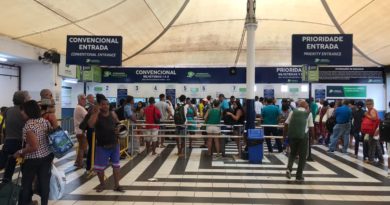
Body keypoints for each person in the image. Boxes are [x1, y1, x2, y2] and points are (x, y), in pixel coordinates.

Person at [14, 100, 54, 205]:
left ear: (28, 111)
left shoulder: (29, 125)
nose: (21, 113)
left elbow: (34, 147)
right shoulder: (44, 121)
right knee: (44, 183)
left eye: (22, 111)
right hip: (47, 157)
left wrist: (20, 151)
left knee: (26, 185)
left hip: (33, 160)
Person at [88, 95, 124, 192]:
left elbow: (118, 124)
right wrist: (96, 112)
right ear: (99, 105)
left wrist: (118, 129)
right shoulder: (96, 115)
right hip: (102, 146)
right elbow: (90, 125)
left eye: (107, 104)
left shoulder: (112, 114)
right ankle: (102, 185)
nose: (106, 106)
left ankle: (117, 185)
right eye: (103, 104)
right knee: (100, 168)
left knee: (116, 166)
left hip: (114, 144)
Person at [0, 91, 30, 182]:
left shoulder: (8, 110)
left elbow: (2, 125)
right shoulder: (25, 111)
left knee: (9, 169)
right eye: (28, 97)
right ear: (24, 99)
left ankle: (5, 189)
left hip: (8, 143)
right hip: (21, 143)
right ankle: (27, 190)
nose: (30, 97)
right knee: (26, 169)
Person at [284, 100, 314, 182]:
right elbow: (311, 127)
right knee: (302, 156)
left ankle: (289, 169)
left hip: (292, 135)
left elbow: (286, 124)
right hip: (303, 137)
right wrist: (313, 138)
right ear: (306, 106)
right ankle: (299, 175)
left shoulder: (293, 112)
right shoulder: (309, 113)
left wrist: (285, 136)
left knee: (293, 153)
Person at [363, 99, 383, 164]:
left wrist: (366, 115)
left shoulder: (372, 110)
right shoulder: (371, 110)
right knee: (376, 144)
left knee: (371, 145)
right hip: (374, 130)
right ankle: (381, 159)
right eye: (367, 104)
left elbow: (374, 118)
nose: (368, 106)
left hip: (373, 130)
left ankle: (371, 159)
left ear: (373, 104)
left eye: (370, 104)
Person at [73, 94, 88, 168]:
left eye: (85, 99)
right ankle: (80, 163)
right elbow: (88, 117)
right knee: (83, 148)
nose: (85, 101)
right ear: (79, 100)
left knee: (81, 148)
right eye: (84, 99)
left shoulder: (78, 107)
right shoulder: (80, 108)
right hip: (81, 131)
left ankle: (77, 162)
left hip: (79, 131)